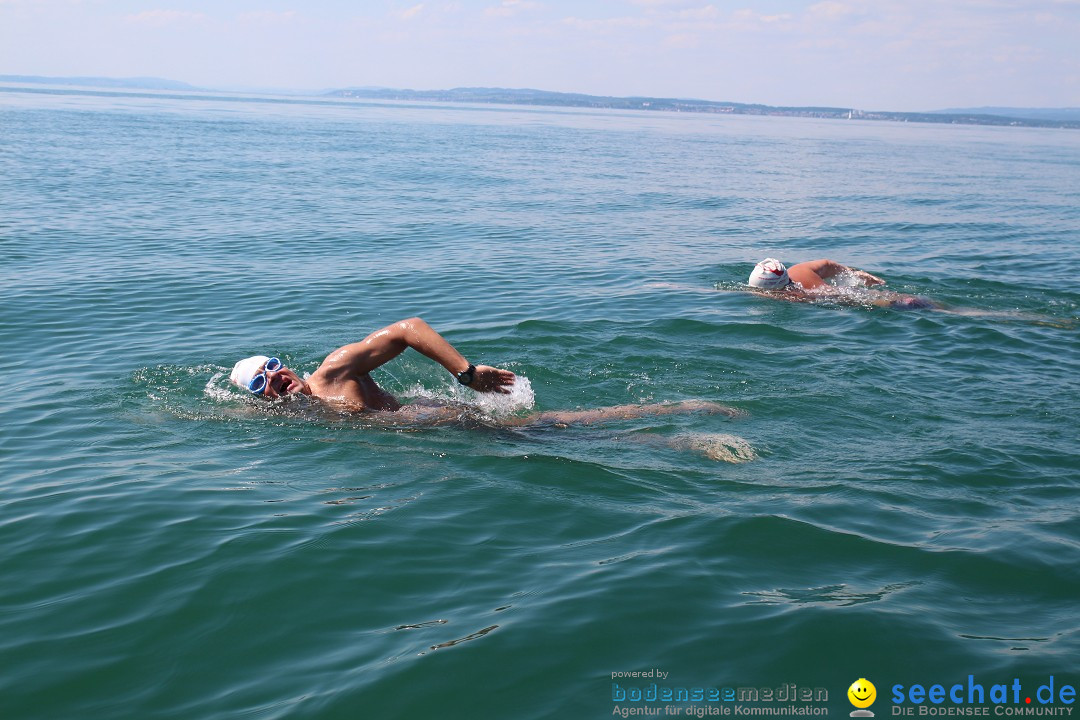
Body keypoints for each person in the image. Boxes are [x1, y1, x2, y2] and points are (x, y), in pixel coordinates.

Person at [229, 317, 739, 426]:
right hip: (439, 434)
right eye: (262, 382)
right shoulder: (296, 419)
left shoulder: (332, 374)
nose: (275, 377)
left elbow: (408, 328)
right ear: (260, 398)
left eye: (273, 366)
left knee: (562, 428)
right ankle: (679, 428)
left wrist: (465, 372)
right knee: (559, 437)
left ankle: (685, 417)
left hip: (446, 420)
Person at [747, 258, 936, 309]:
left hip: (844, 296)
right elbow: (827, 264)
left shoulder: (794, 297)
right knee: (908, 300)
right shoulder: (799, 269)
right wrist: (853, 273)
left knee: (907, 303)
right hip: (845, 291)